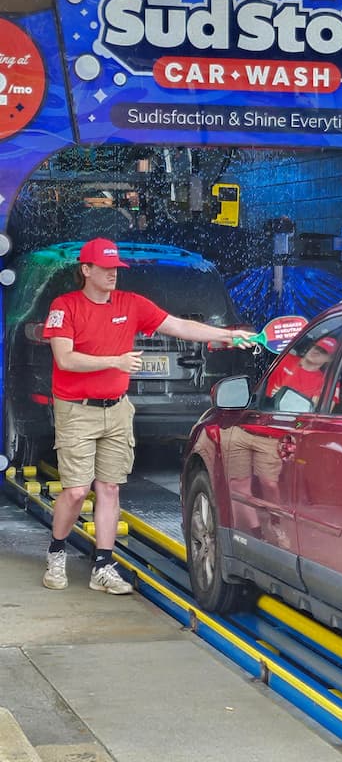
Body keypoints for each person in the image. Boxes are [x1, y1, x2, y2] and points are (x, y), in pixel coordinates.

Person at [41, 237, 254, 595]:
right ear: (86, 270)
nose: (113, 275)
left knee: (109, 488)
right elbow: (65, 359)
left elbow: (180, 326)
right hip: (77, 410)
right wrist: (116, 361)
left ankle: (102, 566)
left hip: (117, 408)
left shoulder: (131, 304)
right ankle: (56, 551)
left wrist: (228, 336)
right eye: (105, 269)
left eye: (116, 269)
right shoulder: (65, 307)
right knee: (77, 492)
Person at [266, 336, 338, 405]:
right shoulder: (284, 358)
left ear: (329, 359)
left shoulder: (324, 382)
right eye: (317, 347)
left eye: (323, 351)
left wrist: (286, 397)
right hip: (261, 406)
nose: (316, 351)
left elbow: (314, 412)